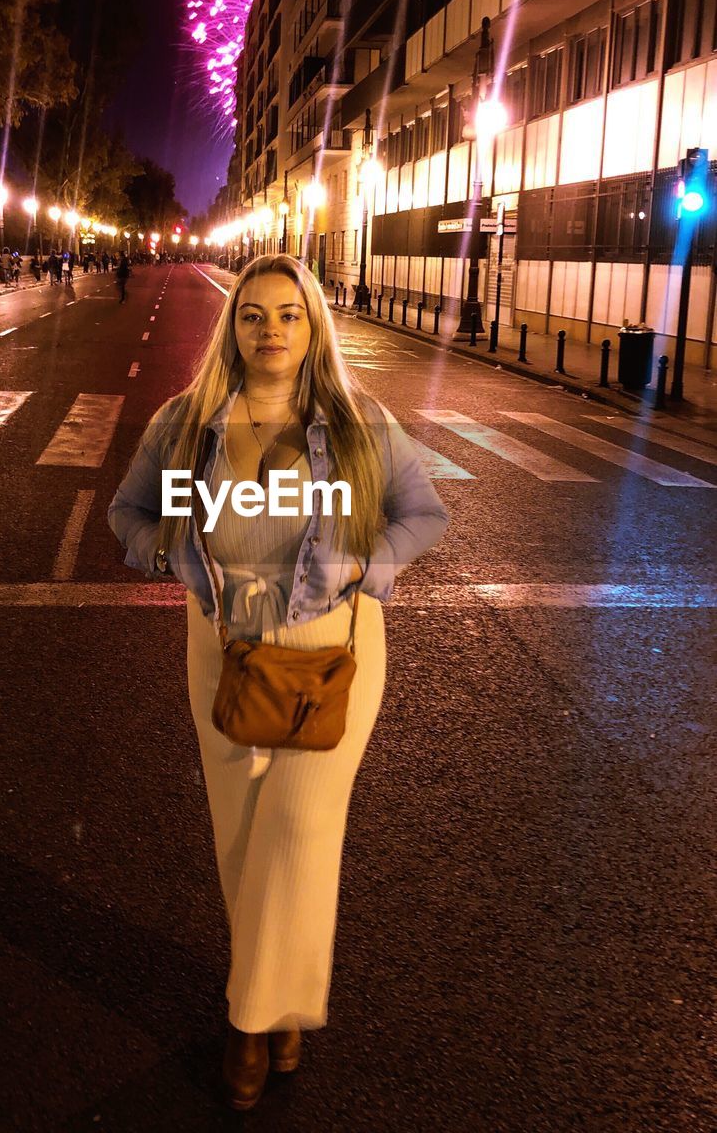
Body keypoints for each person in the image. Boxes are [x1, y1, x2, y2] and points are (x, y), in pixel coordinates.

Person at [107, 254, 449, 1111]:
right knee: (241, 833)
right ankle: (285, 999)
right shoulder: (187, 426)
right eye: (254, 315)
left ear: (313, 325)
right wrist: (174, 553)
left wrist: (362, 564)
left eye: (289, 315)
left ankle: (249, 1021)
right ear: (233, 326)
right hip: (222, 646)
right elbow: (130, 514)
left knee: (296, 826)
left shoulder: (356, 421)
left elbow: (423, 514)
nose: (271, 331)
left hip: (331, 651)